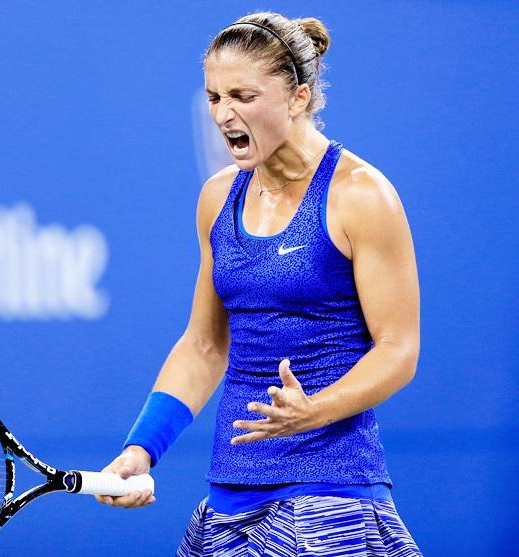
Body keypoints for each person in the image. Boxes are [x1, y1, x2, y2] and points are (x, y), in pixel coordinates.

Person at [96, 11, 423, 556]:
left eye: (243, 96)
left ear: (298, 97)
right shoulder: (217, 197)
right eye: (214, 97)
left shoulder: (362, 196)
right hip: (231, 498)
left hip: (331, 495)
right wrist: (142, 450)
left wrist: (314, 410)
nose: (224, 115)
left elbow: (399, 349)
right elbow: (205, 345)